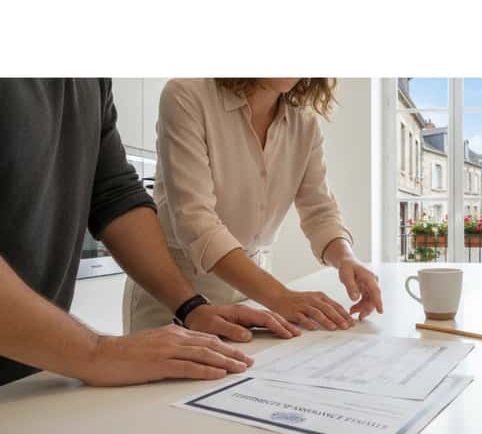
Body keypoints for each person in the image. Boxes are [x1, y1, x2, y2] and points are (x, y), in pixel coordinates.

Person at [0, 78, 302, 387]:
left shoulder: (90, 80)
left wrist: (192, 307)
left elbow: (115, 195)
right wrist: (95, 352)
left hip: (29, 374)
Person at [124, 78, 383, 334]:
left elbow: (321, 213)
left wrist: (347, 258)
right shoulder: (186, 95)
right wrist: (280, 297)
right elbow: (196, 223)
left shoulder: (305, 124)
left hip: (254, 293)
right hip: (176, 293)